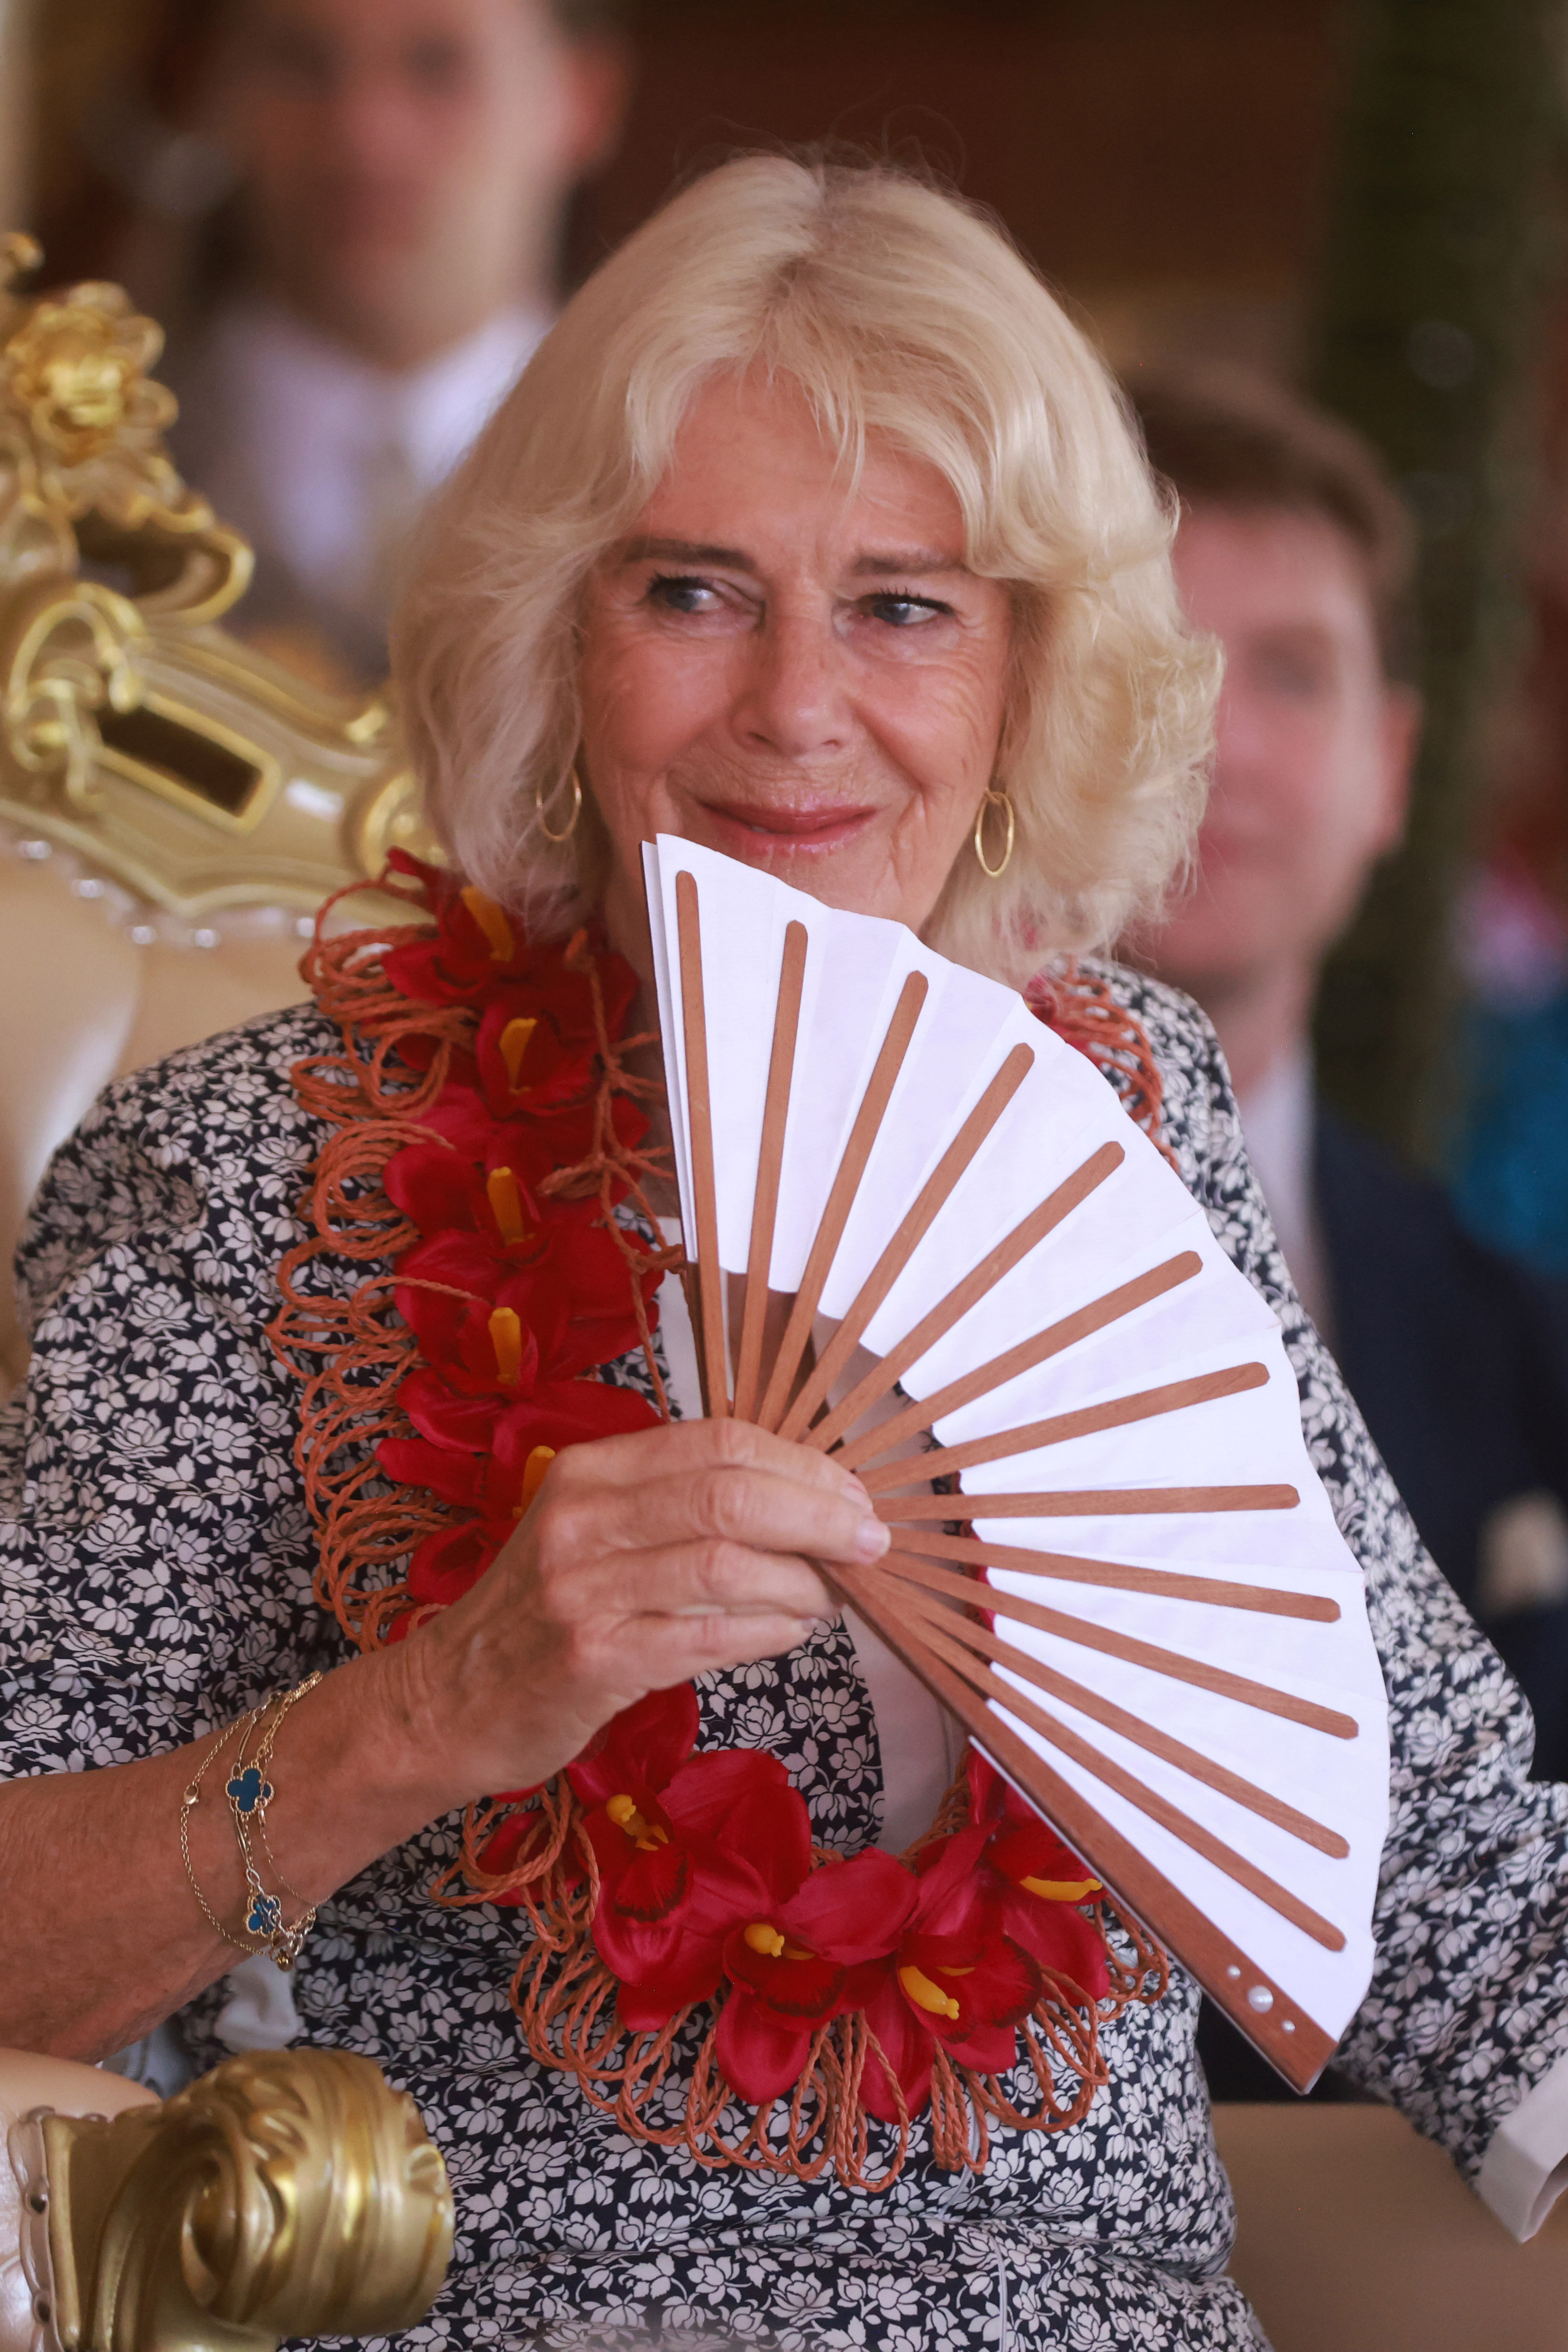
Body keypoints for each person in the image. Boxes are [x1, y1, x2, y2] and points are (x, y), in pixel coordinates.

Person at [2, 159, 1567, 2348]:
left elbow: (1423, 1833)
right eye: (697, 592)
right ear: (560, 627)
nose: (798, 708)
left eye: (907, 605)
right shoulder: (258, 1172)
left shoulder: (1123, 1108)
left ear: (1028, 670)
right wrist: (439, 1706)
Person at [1128, 366, 1568, 1787]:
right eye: (1153, 659)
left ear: (1390, 769)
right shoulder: (798, 1249)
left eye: (1291, 671)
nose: (1219, 742)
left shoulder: (1522, 1357)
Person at [168, 0, 629, 681]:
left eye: (437, 66)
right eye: (302, 62)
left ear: (582, 99)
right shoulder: (58, 469)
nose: (362, 136)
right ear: (222, 88)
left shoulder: (671, 472)